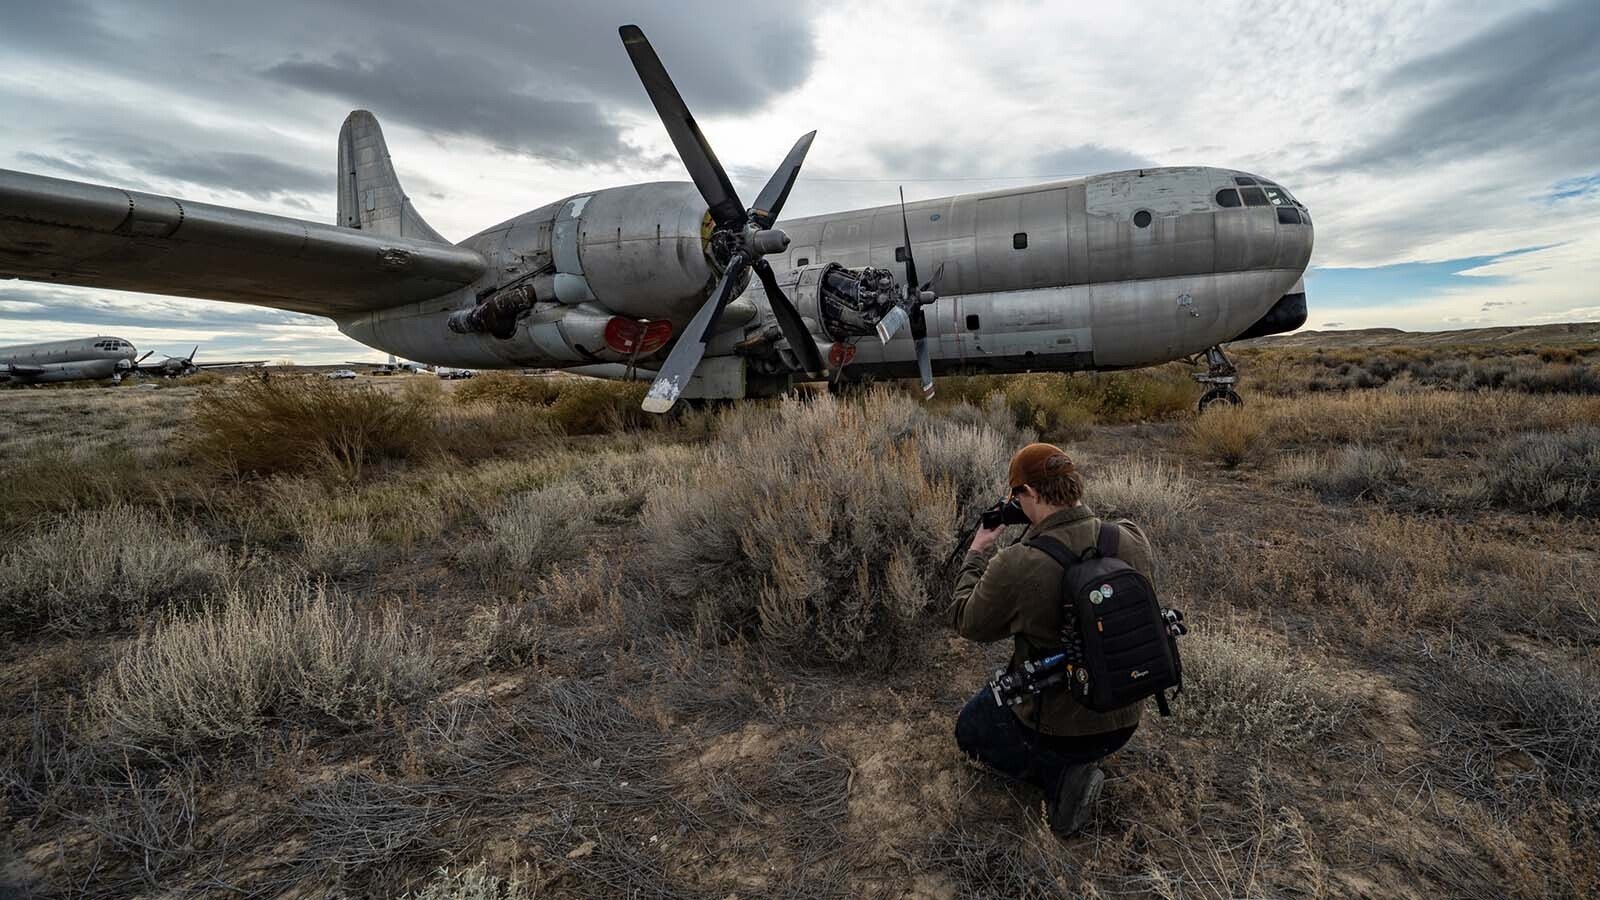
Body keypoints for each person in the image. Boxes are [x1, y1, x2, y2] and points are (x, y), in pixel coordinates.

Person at [948, 442, 1156, 836]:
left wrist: (977, 553)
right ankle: (1073, 762)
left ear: (1028, 494)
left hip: (1059, 733)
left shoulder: (1019, 563)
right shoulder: (1129, 538)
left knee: (970, 729)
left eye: (1015, 495)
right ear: (1073, 485)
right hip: (1124, 718)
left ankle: (1059, 779)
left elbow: (966, 621)